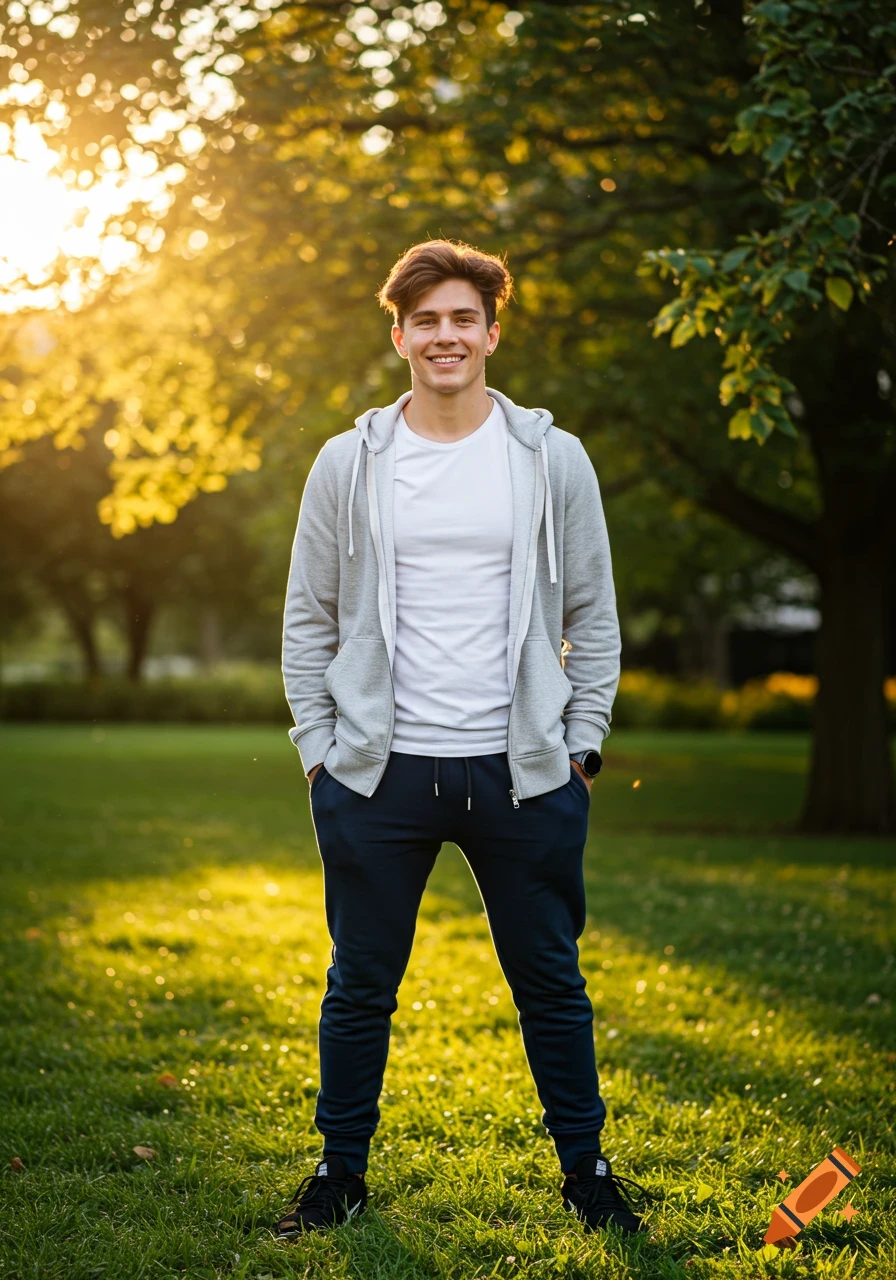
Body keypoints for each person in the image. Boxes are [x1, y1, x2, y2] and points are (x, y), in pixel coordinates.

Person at [276, 239, 650, 1238]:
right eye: (425, 319)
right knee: (358, 987)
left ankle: (588, 1173)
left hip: (523, 773)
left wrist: (581, 745)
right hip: (375, 774)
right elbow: (307, 618)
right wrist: (319, 748)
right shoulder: (348, 462)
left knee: (551, 988)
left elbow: (593, 611)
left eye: (462, 318)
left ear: (490, 331)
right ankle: (337, 1173)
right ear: (398, 334)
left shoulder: (546, 457)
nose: (445, 335)